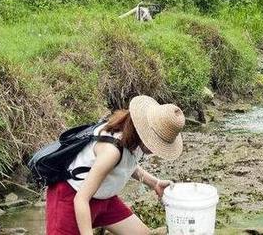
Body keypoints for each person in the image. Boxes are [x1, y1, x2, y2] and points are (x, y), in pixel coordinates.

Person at [46, 95, 185, 235]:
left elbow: (127, 164)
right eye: (156, 144)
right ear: (144, 133)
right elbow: (81, 199)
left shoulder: (134, 137)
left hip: (104, 198)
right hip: (71, 198)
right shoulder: (111, 151)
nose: (155, 150)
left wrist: (155, 183)